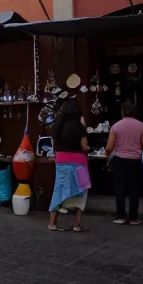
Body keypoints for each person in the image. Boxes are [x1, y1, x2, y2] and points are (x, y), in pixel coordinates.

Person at [48, 99, 90, 232]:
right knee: (80, 190)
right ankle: (76, 225)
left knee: (58, 190)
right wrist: (89, 148)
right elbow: (84, 147)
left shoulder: (57, 127)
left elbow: (55, 146)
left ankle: (52, 223)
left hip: (61, 161)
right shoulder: (80, 127)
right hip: (78, 163)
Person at [107, 100, 143, 225]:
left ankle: (120, 216)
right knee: (134, 189)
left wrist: (108, 156)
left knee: (120, 189)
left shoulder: (116, 126)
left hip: (119, 160)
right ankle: (133, 217)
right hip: (135, 161)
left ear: (122, 112)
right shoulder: (141, 126)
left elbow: (109, 147)